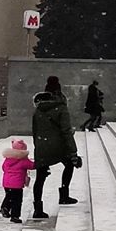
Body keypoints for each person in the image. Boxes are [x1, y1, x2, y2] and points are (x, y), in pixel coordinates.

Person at [30, 75, 79, 219]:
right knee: (69, 164)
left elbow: (35, 131)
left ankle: (38, 208)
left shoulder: (38, 109)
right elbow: (66, 131)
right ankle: (64, 194)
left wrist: (39, 148)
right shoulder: (61, 108)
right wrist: (73, 151)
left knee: (40, 178)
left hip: (41, 146)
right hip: (58, 146)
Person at [0, 139, 33, 224]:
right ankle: (15, 216)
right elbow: (32, 166)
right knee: (17, 200)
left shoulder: (8, 158)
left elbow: (3, 168)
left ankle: (5, 207)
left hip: (6, 183)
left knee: (9, 196)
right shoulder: (23, 160)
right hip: (17, 184)